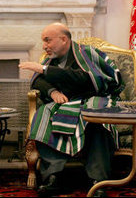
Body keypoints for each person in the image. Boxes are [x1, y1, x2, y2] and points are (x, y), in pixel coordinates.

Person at [19, 23, 124, 197]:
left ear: (63, 39)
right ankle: (53, 177)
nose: (44, 46)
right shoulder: (51, 58)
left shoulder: (86, 53)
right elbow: (38, 81)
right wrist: (53, 92)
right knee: (44, 115)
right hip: (65, 101)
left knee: (97, 116)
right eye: (43, 41)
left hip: (93, 97)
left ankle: (98, 180)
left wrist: (45, 69)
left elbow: (86, 79)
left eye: (47, 40)